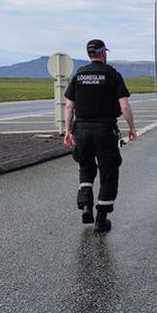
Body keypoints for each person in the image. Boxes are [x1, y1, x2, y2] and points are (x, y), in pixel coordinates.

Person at [63, 39, 137, 233]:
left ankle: (86, 203)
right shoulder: (112, 75)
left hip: (82, 131)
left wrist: (68, 131)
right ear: (103, 53)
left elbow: (69, 106)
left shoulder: (79, 75)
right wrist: (132, 127)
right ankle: (101, 220)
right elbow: (124, 106)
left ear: (89, 54)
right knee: (109, 172)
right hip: (105, 131)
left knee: (86, 167)